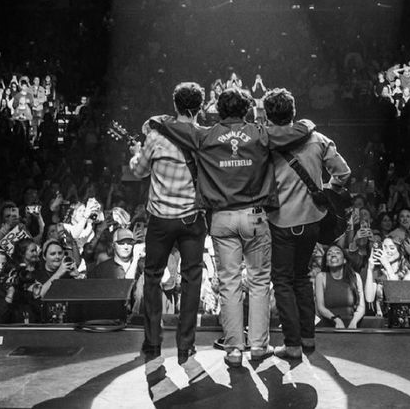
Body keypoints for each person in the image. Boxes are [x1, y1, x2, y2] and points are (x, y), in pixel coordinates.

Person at [149, 86, 314, 368]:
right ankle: (260, 347)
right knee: (260, 282)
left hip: (222, 220)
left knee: (229, 284)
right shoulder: (260, 133)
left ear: (218, 110)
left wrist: (158, 119)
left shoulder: (204, 134)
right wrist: (308, 124)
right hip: (255, 217)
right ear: (247, 109)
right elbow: (296, 132)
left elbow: (169, 126)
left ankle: (235, 350)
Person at [263, 87, 350, 359]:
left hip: (280, 223)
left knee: (282, 281)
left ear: (267, 116)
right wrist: (325, 188)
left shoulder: (266, 143)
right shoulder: (318, 139)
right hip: (312, 221)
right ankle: (308, 339)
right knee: (301, 277)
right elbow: (344, 173)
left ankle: (292, 344)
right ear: (294, 112)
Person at [128, 81, 208, 364]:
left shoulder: (156, 136)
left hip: (161, 220)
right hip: (192, 219)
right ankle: (186, 344)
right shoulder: (204, 136)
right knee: (191, 279)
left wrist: (136, 152)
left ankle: (152, 342)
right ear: (200, 107)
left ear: (175, 105)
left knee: (152, 278)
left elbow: (138, 171)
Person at [314, 244, 365, 329]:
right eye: (329, 254)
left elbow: (361, 306)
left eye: (337, 252)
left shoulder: (355, 277)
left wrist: (354, 322)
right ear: (326, 262)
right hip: (329, 324)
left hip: (352, 324)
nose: (333, 255)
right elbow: (320, 307)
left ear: (344, 260)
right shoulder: (321, 277)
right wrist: (336, 320)